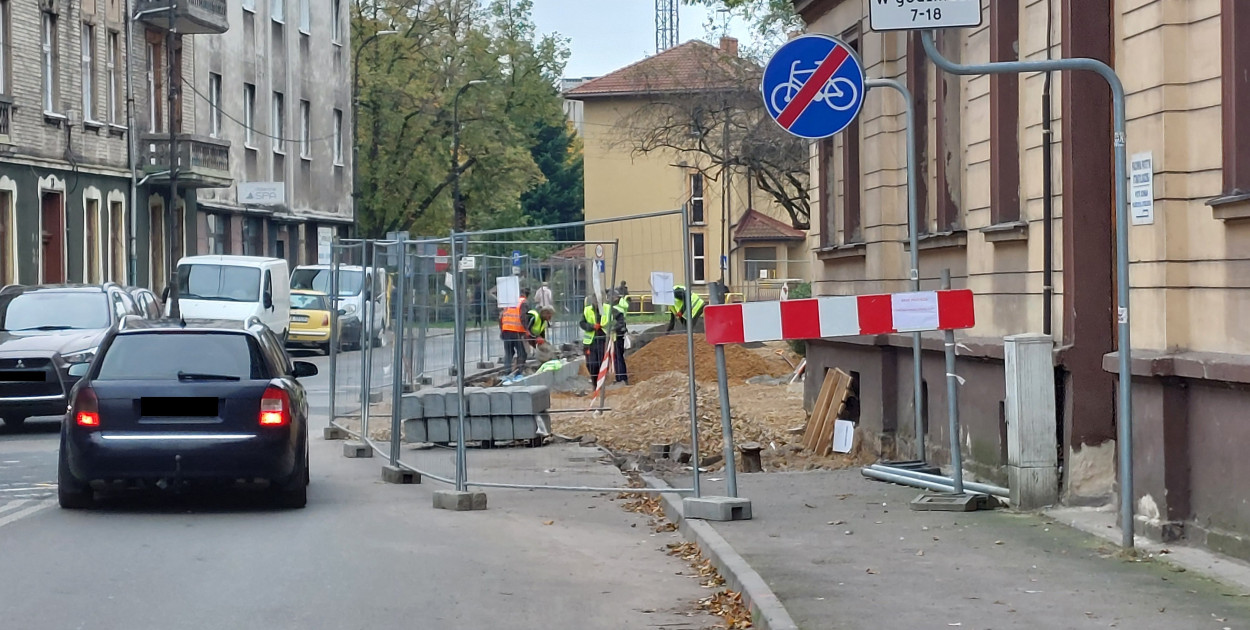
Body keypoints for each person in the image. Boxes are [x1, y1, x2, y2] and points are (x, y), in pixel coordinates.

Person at [579, 296, 613, 388]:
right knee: (591, 363)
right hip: (590, 342)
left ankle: (601, 383)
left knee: (602, 362)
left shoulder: (607, 308)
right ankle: (595, 383)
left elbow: (612, 322)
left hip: (603, 340)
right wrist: (591, 326)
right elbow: (582, 323)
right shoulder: (587, 310)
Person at [499, 295, 528, 378]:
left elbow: (500, 317)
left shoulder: (508, 302)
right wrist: (526, 330)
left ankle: (507, 371)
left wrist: (502, 330)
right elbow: (523, 317)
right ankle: (519, 371)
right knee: (522, 353)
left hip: (506, 330)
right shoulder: (523, 302)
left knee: (509, 352)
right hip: (516, 331)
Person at [610, 289, 630, 384]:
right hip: (620, 334)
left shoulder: (616, 308)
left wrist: (612, 328)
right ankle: (621, 377)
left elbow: (619, 323)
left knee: (618, 357)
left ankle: (621, 378)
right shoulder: (622, 305)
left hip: (617, 335)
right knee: (619, 357)